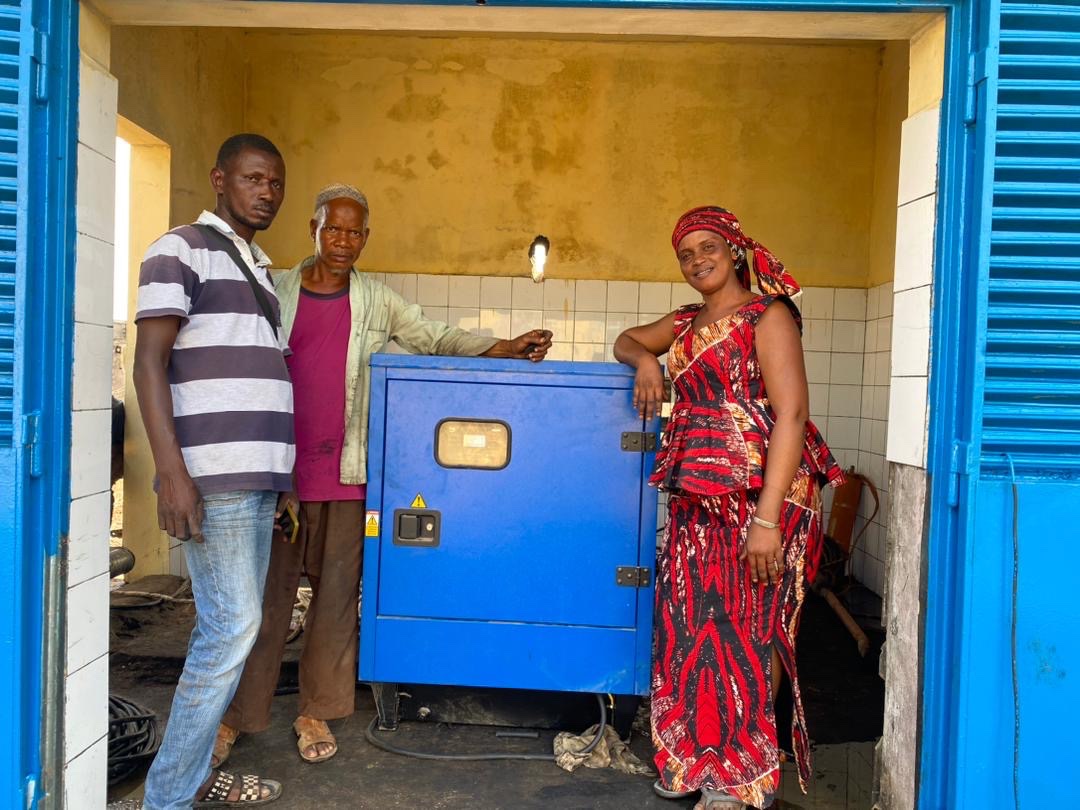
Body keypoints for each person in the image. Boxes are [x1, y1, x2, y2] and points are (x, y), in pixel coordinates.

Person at [213, 183, 553, 766]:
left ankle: (314, 710)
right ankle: (235, 719)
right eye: (333, 229)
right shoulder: (276, 288)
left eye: (354, 232)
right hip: (277, 476)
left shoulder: (377, 300)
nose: (343, 241)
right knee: (261, 604)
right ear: (312, 230)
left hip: (347, 474)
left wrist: (504, 346)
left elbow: (435, 337)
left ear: (365, 238)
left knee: (336, 603)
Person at [614, 206, 843, 810]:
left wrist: (766, 522)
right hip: (698, 497)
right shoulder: (688, 323)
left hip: (761, 500)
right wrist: (645, 360)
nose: (696, 261)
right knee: (692, 627)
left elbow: (791, 416)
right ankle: (693, 757)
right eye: (685, 254)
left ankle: (740, 773)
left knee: (748, 630)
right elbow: (628, 339)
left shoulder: (767, 317)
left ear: (735, 249)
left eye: (707, 247)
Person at [133, 133, 293, 809]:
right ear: (220, 179)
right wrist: (172, 473)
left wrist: (279, 480)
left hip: (253, 480)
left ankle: (191, 776)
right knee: (230, 630)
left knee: (233, 629)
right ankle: (167, 796)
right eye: (255, 178)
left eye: (276, 182)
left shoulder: (259, 266)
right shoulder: (179, 248)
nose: (268, 191)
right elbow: (147, 362)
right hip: (213, 477)